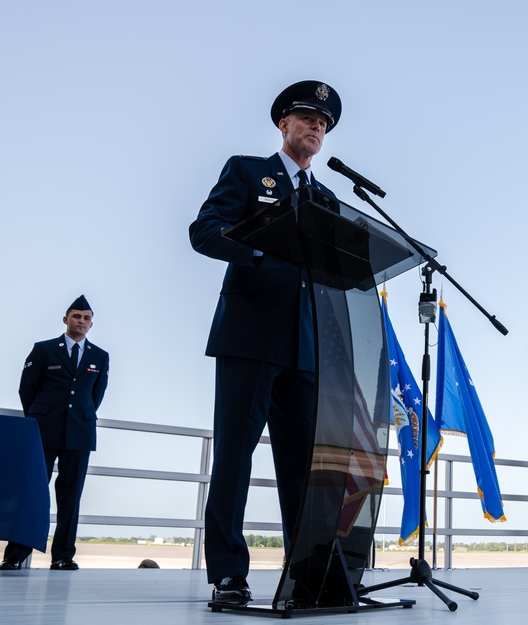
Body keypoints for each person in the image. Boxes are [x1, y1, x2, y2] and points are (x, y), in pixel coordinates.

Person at [189, 80, 342, 604]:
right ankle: (228, 573)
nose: (316, 127)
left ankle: (305, 571)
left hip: (305, 349)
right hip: (250, 335)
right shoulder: (249, 172)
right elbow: (204, 230)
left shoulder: (325, 198)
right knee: (234, 456)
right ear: (283, 124)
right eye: (307, 118)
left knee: (303, 466)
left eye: (323, 123)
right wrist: (259, 258)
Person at [0, 295, 110, 571]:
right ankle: (15, 555)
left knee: (71, 498)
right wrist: (39, 418)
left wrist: (78, 417)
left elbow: (96, 396)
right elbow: (27, 389)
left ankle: (62, 556)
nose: (81, 322)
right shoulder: (44, 350)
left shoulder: (100, 356)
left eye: (85, 318)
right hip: (43, 431)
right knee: (32, 492)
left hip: (80, 434)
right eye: (76, 316)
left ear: (91, 324)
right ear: (66, 319)